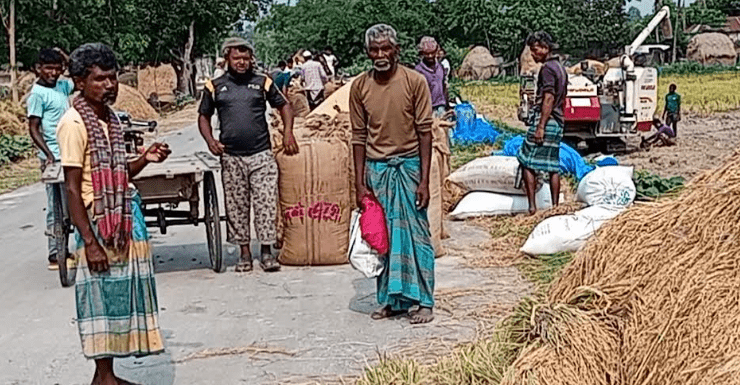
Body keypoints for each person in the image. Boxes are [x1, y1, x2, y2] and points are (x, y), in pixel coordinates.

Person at [57, 42, 171, 385]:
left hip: (124, 216)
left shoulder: (109, 121)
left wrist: (145, 158)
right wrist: (90, 243)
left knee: (119, 299)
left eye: (113, 77)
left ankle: (105, 377)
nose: (109, 85)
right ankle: (105, 377)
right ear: (80, 82)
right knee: (101, 301)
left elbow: (117, 173)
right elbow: (74, 189)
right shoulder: (75, 124)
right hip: (98, 224)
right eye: (100, 79)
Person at [350, 24, 436, 325]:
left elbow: (426, 132)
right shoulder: (360, 87)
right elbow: (358, 137)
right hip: (378, 170)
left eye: (386, 48)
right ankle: (390, 300)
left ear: (397, 50)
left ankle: (425, 300)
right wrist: (359, 183)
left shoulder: (414, 82)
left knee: (417, 236)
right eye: (374, 50)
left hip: (410, 168)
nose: (380, 55)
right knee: (382, 237)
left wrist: (424, 180)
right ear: (367, 53)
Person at [197, 37, 299, 273]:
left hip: (262, 154)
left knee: (265, 203)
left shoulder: (262, 82)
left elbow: (284, 106)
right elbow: (203, 116)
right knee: (237, 207)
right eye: (237, 58)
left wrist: (288, 133)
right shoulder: (215, 86)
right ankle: (244, 254)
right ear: (227, 59)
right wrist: (211, 140)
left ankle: (266, 253)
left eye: (245, 58)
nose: (242, 62)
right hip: (232, 157)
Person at [27, 48, 76, 270]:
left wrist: (63, 56)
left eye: (57, 68)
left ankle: (67, 246)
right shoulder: (37, 94)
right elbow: (34, 127)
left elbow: (77, 73)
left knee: (71, 202)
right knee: (55, 204)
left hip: (70, 151)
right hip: (52, 157)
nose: (53, 73)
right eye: (48, 68)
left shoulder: (63, 87)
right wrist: (47, 153)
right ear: (38, 68)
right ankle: (55, 253)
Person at [516, 31, 568, 215]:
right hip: (558, 121)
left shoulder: (547, 69)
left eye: (535, 49)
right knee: (553, 165)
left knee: (527, 161)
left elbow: (548, 98)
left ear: (545, 48)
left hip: (547, 119)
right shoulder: (560, 68)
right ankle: (555, 207)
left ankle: (532, 208)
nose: (533, 54)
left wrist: (540, 126)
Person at [415, 36, 448, 118]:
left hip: (441, 106)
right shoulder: (418, 71)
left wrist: (447, 104)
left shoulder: (440, 67)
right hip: (427, 109)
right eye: (426, 54)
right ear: (422, 53)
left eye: (432, 53)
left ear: (436, 51)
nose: (430, 56)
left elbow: (444, 86)